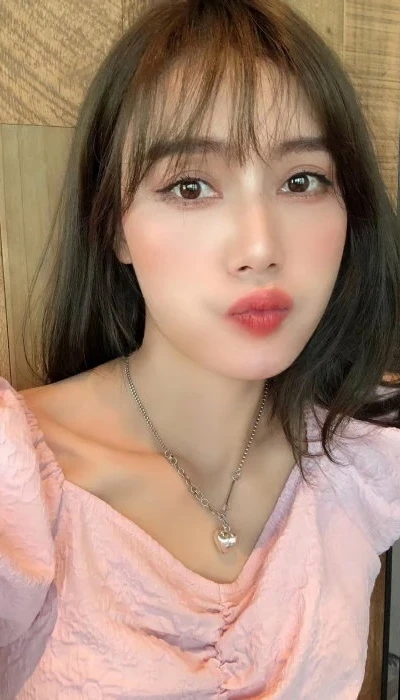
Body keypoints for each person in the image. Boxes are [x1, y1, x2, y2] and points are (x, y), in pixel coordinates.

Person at [1, 0, 400, 697]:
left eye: (302, 180)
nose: (260, 247)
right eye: (191, 186)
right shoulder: (19, 488)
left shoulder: (361, 455)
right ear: (115, 227)